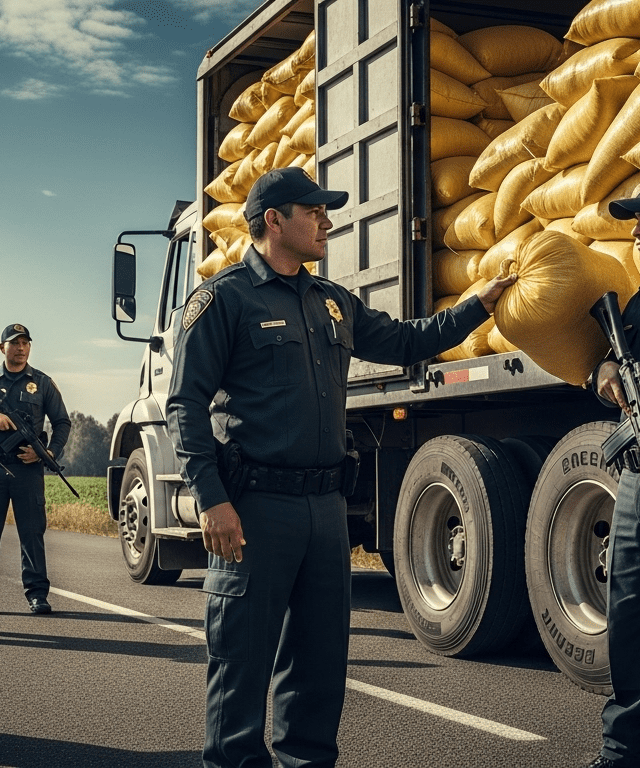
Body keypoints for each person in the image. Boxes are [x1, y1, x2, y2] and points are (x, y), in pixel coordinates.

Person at [166, 166, 516, 768]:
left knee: (320, 663)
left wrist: (475, 307)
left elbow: (408, 341)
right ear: (273, 220)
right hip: (255, 508)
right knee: (241, 659)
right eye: (314, 211)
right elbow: (185, 405)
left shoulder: (331, 302)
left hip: (325, 509)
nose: (327, 222)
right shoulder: (222, 300)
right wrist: (211, 498)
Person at [586, 173, 640, 768]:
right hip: (634, 480)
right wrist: (603, 377)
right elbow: (601, 367)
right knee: (631, 622)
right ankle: (625, 753)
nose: (637, 231)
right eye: (633, 220)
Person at [0, 324, 71, 616]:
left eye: (25, 343)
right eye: (14, 343)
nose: (20, 348)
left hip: (28, 470)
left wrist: (48, 452)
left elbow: (62, 423)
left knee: (32, 533)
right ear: (2, 348)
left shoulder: (43, 383)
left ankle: (37, 595)